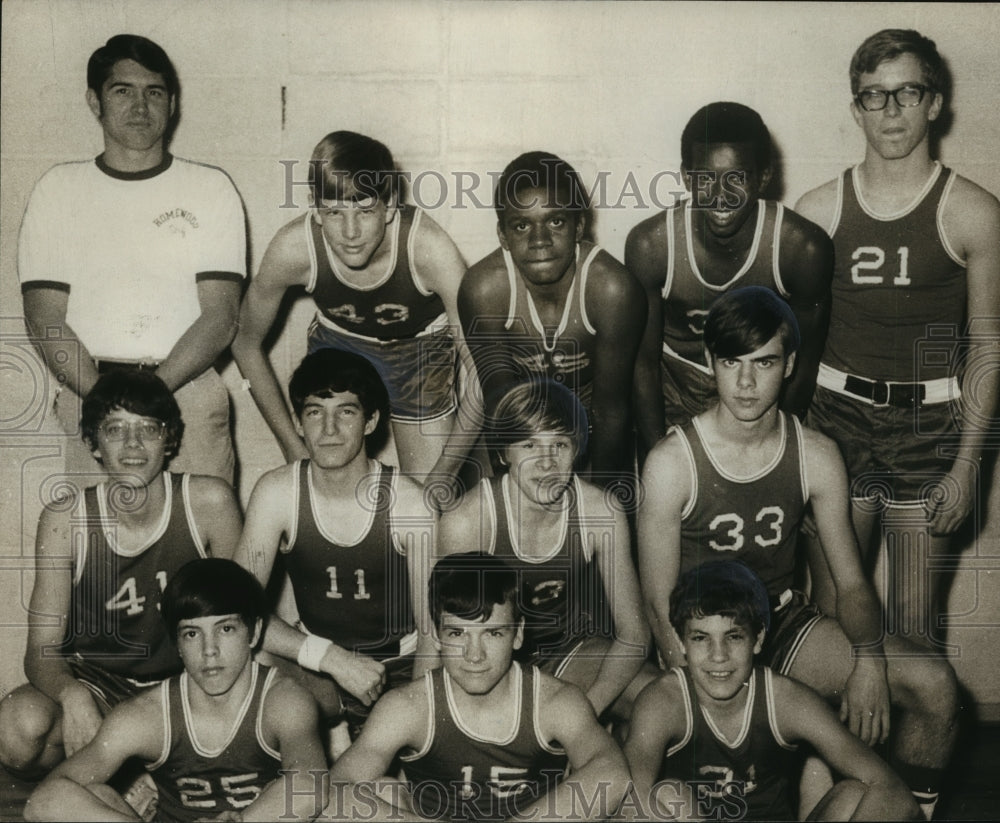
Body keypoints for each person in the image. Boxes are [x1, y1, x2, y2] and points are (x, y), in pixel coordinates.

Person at [637, 286, 959, 819]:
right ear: (710, 363)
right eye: (731, 362)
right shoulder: (672, 462)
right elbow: (657, 607)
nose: (744, 382)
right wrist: (710, 687)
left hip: (780, 624)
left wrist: (869, 661)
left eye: (763, 362)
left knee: (935, 685)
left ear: (789, 365)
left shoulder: (816, 454)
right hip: (700, 639)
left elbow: (851, 583)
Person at [795, 29, 1000, 650]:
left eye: (906, 93)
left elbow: (988, 346)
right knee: (832, 617)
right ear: (855, 107)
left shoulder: (972, 212)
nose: (889, 111)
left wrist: (969, 463)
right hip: (835, 418)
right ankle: (834, 751)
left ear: (934, 103)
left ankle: (907, 751)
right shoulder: (819, 210)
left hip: (932, 422)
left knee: (913, 626)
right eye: (873, 96)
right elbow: (792, 349)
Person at [18, 34, 246, 484]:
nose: (140, 107)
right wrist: (110, 401)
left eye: (154, 92)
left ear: (173, 103)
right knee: (97, 550)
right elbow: (44, 318)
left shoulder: (210, 188)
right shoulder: (58, 189)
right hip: (91, 393)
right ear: (94, 100)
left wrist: (149, 396)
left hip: (187, 396)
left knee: (200, 547)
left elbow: (220, 317)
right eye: (123, 90)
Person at [0, 370, 242, 780]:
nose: (133, 445)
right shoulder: (66, 518)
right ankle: (120, 778)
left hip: (186, 682)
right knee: (16, 733)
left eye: (147, 428)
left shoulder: (209, 501)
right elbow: (40, 648)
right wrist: (73, 695)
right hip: (100, 682)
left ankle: (126, 776)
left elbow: (243, 622)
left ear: (170, 439)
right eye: (116, 430)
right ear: (93, 444)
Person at [232, 130, 479, 488]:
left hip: (419, 352)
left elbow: (484, 375)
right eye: (333, 212)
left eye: (364, 210)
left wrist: (446, 473)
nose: (350, 232)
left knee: (431, 502)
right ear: (315, 208)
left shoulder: (430, 249)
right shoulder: (294, 247)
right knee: (324, 488)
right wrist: (291, 444)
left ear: (391, 204)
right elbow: (244, 341)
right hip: (341, 344)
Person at [327, 552, 630, 822]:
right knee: (382, 791)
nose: (474, 655)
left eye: (493, 633)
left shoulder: (553, 701)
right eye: (458, 633)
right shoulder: (408, 706)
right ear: (436, 636)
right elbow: (336, 788)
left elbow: (613, 773)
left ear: (518, 634)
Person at [25, 558, 327, 822]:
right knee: (92, 795)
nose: (210, 650)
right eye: (192, 634)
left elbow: (309, 789)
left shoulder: (283, 699)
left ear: (255, 632)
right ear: (177, 644)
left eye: (226, 629)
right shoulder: (148, 715)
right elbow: (42, 802)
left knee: (330, 803)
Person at [233, 348, 437, 739]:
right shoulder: (277, 492)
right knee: (243, 649)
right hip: (321, 667)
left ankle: (347, 739)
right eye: (314, 412)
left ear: (371, 421)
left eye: (345, 412)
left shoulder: (410, 502)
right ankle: (325, 731)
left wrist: (413, 713)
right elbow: (237, 608)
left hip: (400, 667)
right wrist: (330, 659)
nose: (329, 430)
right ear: (297, 423)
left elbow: (432, 632)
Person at [623, 560, 920, 822]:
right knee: (668, 794)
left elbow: (896, 794)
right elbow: (629, 803)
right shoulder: (662, 700)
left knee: (855, 793)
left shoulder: (785, 699)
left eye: (734, 637)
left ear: (758, 639)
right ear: (680, 641)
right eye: (701, 638)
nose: (718, 656)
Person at [627, 101, 834, 456]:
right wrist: (656, 452)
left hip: (762, 387)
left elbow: (804, 360)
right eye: (705, 178)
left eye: (736, 178)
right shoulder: (652, 245)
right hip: (679, 384)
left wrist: (776, 441)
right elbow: (643, 363)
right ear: (686, 176)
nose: (720, 195)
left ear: (763, 177)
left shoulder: (802, 248)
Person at [438, 378, 651, 720]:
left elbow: (634, 635)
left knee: (656, 698)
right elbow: (448, 640)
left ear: (577, 449)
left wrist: (584, 716)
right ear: (504, 452)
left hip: (569, 652)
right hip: (488, 660)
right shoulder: (467, 522)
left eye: (560, 445)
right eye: (529, 445)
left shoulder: (600, 510)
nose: (547, 462)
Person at [459, 151, 646, 486]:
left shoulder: (611, 289)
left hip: (593, 419)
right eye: (521, 226)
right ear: (502, 234)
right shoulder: (484, 289)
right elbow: (499, 400)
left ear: (579, 226)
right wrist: (510, 492)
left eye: (556, 221)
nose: (540, 241)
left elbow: (611, 409)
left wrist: (599, 503)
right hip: (522, 418)